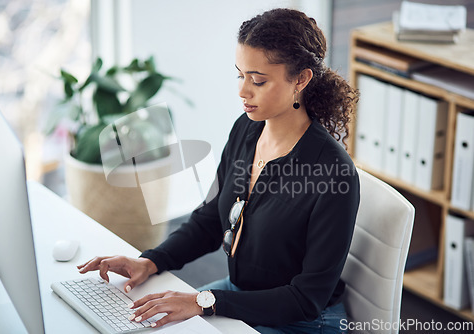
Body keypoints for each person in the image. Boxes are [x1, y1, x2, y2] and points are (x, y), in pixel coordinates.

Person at [78, 8, 360, 334]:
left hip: (301, 321)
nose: (243, 91)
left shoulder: (334, 174)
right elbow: (212, 218)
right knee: (147, 323)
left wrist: (203, 301)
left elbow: (306, 299)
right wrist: (151, 261)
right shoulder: (247, 129)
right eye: (240, 75)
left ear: (301, 79)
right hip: (239, 293)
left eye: (258, 80)